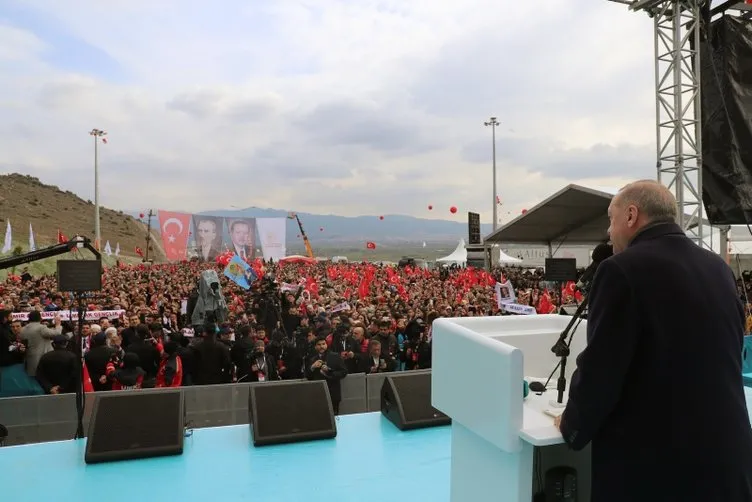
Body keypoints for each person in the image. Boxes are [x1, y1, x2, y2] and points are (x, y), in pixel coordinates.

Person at [554, 180, 752, 501]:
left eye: (611, 218)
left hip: (657, 470)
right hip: (726, 459)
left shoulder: (620, 270)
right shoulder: (717, 268)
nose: (609, 230)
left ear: (631, 215)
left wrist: (572, 425)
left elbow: (602, 371)